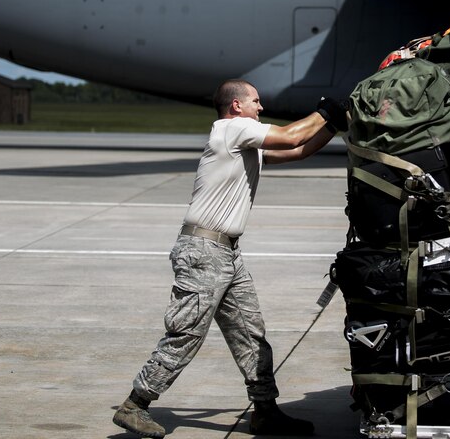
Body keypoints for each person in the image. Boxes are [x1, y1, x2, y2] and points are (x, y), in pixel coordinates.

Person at [112, 79, 347, 438]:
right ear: (236, 106)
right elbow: (290, 135)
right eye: (255, 101)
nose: (260, 107)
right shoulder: (233, 128)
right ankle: (135, 404)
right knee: (186, 332)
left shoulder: (244, 143)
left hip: (227, 253)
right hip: (204, 252)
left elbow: (299, 150)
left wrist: (332, 126)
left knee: (251, 334)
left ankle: (265, 411)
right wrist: (328, 109)